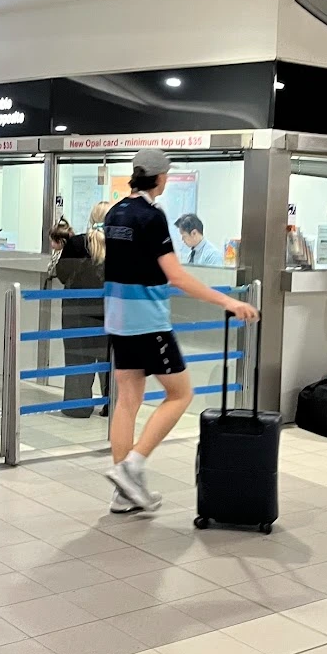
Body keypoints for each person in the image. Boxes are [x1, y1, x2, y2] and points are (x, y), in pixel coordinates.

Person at [104, 149, 259, 513]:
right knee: (180, 394)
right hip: (148, 321)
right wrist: (227, 301)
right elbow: (176, 276)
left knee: (127, 400)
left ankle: (124, 493)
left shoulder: (115, 213)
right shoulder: (152, 216)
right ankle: (132, 466)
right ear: (160, 177)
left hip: (117, 318)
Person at [54, 202, 110, 418]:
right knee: (109, 359)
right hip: (108, 311)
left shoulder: (77, 243)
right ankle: (111, 405)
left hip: (76, 311)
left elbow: (62, 274)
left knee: (77, 358)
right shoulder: (120, 246)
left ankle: (78, 406)